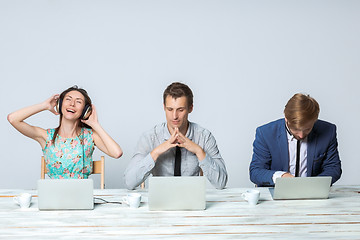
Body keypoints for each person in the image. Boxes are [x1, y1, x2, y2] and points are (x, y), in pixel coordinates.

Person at [124, 82, 227, 190]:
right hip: (160, 199)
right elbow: (129, 182)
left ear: (190, 108)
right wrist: (155, 153)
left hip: (191, 199)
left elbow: (221, 183)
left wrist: (199, 151)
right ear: (164, 107)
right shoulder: (150, 137)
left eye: (180, 110)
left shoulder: (204, 136)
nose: (174, 116)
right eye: (170, 109)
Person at [7, 86, 123, 179]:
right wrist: (44, 106)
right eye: (68, 99)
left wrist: (95, 124)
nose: (72, 104)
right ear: (59, 104)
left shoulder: (90, 136)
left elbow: (116, 153)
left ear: (85, 111)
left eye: (78, 102)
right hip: (53, 199)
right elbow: (13, 118)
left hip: (81, 198)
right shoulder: (46, 136)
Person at [249, 93, 342, 187]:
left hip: (313, 194)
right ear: (286, 119)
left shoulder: (328, 131)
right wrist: (281, 176)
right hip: (275, 193)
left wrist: (313, 185)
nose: (301, 135)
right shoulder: (265, 133)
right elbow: (256, 172)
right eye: (296, 130)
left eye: (307, 129)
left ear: (315, 120)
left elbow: (333, 168)